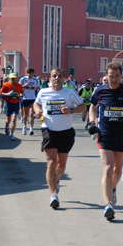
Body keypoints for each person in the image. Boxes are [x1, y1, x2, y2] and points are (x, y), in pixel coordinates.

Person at [88, 63, 123, 221]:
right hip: (105, 135)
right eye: (111, 76)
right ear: (106, 76)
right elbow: (92, 107)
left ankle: (112, 189)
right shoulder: (100, 90)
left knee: (117, 171)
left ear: (121, 76)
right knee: (108, 169)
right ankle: (108, 205)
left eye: (117, 76)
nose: (114, 79)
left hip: (122, 135)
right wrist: (92, 122)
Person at [33, 68, 86, 209]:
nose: (56, 78)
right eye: (54, 76)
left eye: (59, 76)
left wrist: (72, 110)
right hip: (48, 130)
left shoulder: (69, 93)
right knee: (51, 162)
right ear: (50, 78)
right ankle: (53, 196)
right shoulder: (43, 92)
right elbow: (36, 103)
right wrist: (37, 111)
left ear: (64, 78)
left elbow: (83, 107)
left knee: (61, 166)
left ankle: (55, 180)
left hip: (65, 132)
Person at [0, 73, 24, 141]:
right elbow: (1, 93)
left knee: (14, 119)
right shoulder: (6, 85)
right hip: (8, 103)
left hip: (16, 103)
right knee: (8, 120)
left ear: (16, 78)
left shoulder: (19, 85)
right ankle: (7, 126)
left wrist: (20, 96)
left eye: (14, 78)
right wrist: (7, 94)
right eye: (12, 78)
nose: (13, 79)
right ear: (10, 78)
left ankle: (12, 134)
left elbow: (21, 92)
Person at [19, 68, 40, 135]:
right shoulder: (23, 79)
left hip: (32, 98)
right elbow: (19, 87)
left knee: (31, 114)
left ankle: (31, 128)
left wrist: (36, 88)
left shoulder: (35, 79)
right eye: (29, 73)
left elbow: (39, 87)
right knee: (26, 114)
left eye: (32, 73)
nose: (31, 75)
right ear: (27, 73)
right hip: (25, 98)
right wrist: (25, 85)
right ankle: (24, 127)